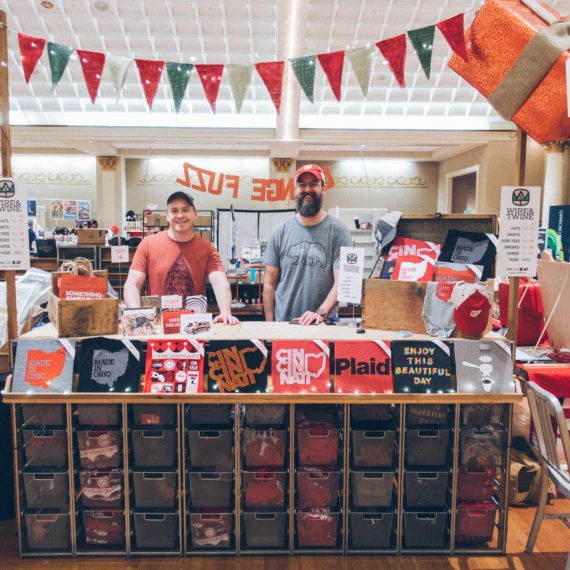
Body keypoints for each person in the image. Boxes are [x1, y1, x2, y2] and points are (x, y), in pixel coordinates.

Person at [124, 191, 239, 325]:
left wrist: (225, 312)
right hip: (158, 328)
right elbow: (132, 284)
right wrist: (137, 313)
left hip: (194, 327)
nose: (180, 215)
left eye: (185, 210)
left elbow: (219, 282)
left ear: (195, 214)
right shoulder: (148, 244)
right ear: (167, 215)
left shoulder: (207, 248)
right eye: (174, 210)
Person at [263, 163, 352, 325]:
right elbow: (269, 283)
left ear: (323, 188)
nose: (307, 189)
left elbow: (342, 282)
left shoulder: (339, 231)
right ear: (295, 189)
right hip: (285, 326)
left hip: (323, 326)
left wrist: (320, 313)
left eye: (313, 184)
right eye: (302, 185)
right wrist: (270, 326)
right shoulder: (280, 232)